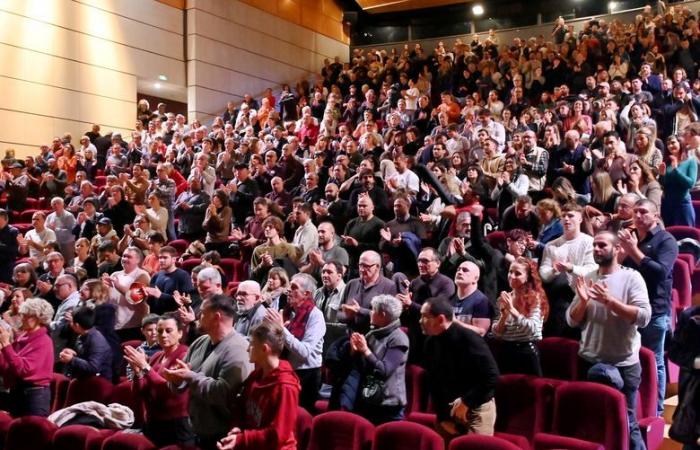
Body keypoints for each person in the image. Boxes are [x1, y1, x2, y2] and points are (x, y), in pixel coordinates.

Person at [566, 230, 651, 450]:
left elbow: (643, 317)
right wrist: (583, 303)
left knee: (627, 423)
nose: (596, 249)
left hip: (623, 364)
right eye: (594, 245)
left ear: (617, 249)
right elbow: (571, 321)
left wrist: (610, 302)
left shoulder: (631, 277)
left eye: (602, 245)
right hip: (589, 360)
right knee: (591, 423)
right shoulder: (588, 277)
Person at [163, 294, 253, 450]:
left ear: (216, 316)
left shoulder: (239, 349)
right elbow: (182, 380)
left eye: (203, 312)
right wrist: (176, 380)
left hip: (223, 436)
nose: (198, 316)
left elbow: (224, 394)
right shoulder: (200, 342)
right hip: (197, 430)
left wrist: (191, 377)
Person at [619, 199, 678, 416]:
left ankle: (657, 410)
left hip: (655, 309)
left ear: (655, 216)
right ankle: (634, 408)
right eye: (635, 212)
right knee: (630, 359)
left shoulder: (666, 240)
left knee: (653, 361)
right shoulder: (632, 238)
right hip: (629, 309)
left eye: (643, 212)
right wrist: (624, 252)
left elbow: (661, 272)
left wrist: (634, 251)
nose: (638, 215)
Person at [420, 297, 499, 438]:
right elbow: (433, 382)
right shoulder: (430, 343)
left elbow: (492, 376)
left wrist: (466, 402)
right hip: (448, 410)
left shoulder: (469, 339)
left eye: (425, 317)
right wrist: (443, 417)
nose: (420, 321)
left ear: (440, 319)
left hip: (476, 409)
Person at [218, 322, 300, 450]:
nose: (247, 348)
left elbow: (278, 435)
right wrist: (237, 427)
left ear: (264, 349)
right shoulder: (256, 375)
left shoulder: (285, 387)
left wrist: (242, 438)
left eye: (251, 344)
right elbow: (241, 407)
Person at [125, 313, 195, 447]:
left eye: (168, 331)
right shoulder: (157, 356)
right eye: (159, 331)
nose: (163, 335)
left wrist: (145, 366)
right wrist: (138, 372)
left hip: (175, 425)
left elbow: (167, 389)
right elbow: (139, 392)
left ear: (180, 333)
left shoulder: (184, 355)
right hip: (152, 423)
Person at [264, 273, 325, 412]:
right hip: (287, 371)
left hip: (307, 375)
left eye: (294, 287)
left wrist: (282, 330)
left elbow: (304, 352)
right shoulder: (289, 313)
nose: (288, 290)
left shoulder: (316, 315)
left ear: (306, 294)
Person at [348, 294, 409, 424]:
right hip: (369, 398)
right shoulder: (372, 334)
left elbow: (384, 371)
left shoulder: (398, 338)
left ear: (383, 314)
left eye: (373, 310)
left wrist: (365, 350)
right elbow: (362, 368)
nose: (370, 313)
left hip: (389, 404)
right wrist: (355, 352)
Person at [539, 202, 596, 338]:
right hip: (557, 299)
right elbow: (543, 274)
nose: (566, 219)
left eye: (570, 216)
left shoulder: (589, 242)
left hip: (581, 297)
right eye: (563, 216)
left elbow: (593, 269)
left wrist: (571, 268)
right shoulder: (551, 245)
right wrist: (553, 270)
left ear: (580, 219)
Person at [492, 257, 548, 376]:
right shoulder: (503, 299)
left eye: (517, 273)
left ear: (527, 277)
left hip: (527, 353)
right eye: (510, 272)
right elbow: (496, 333)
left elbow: (532, 329)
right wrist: (503, 316)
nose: (512, 276)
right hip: (506, 351)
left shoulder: (535, 298)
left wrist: (512, 310)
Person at [0, 298, 55, 417]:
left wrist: (6, 345)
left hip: (34, 396)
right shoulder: (23, 336)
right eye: (22, 315)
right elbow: (9, 365)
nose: (22, 319)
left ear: (38, 319)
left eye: (26, 316)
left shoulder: (44, 341)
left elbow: (24, 369)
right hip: (18, 391)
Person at [59, 306, 113, 381]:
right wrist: (74, 355)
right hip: (83, 379)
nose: (69, 324)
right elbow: (85, 357)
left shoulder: (97, 341)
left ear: (77, 325)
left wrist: (72, 359)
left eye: (71, 322)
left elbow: (93, 367)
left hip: (98, 384)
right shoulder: (84, 334)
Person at [144, 246, 194, 315]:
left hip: (174, 319)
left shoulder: (183, 276)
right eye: (160, 258)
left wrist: (161, 295)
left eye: (165, 258)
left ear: (173, 259)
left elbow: (186, 301)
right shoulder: (156, 276)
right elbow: (150, 301)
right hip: (156, 318)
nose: (161, 260)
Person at [450, 261, 491, 336]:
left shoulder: (481, 301)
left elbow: (481, 332)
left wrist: (455, 322)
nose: (459, 272)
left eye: (465, 270)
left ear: (475, 278)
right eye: (458, 269)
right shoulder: (450, 299)